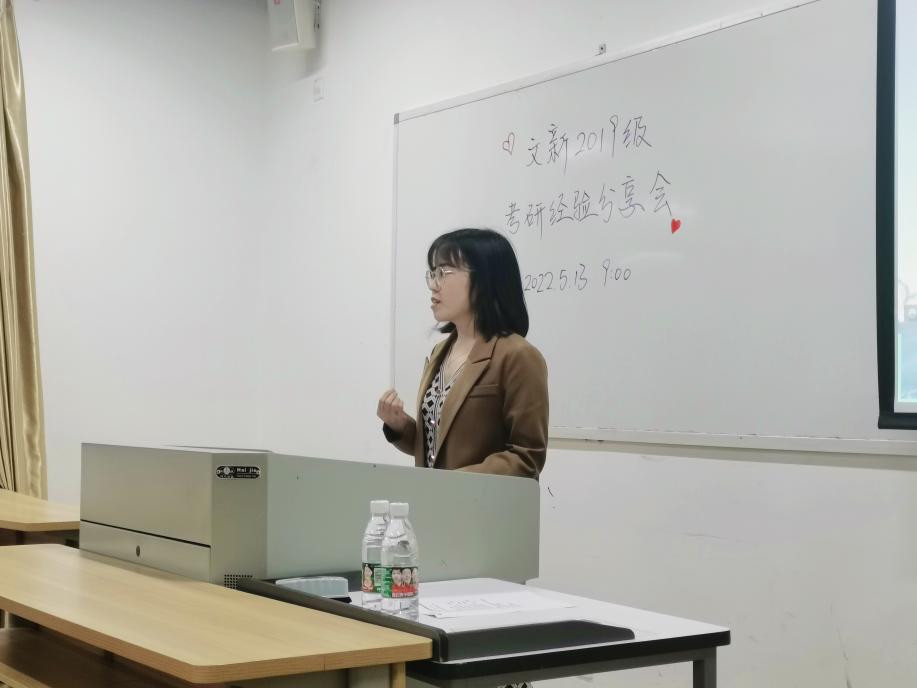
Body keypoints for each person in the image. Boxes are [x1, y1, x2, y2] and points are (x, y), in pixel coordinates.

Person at [377, 228, 548, 478]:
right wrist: (400, 425)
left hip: (481, 502)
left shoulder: (518, 356)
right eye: (432, 274)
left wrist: (455, 483)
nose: (433, 285)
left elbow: (527, 457)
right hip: (435, 499)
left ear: (484, 279)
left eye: (443, 273)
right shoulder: (440, 352)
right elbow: (437, 447)